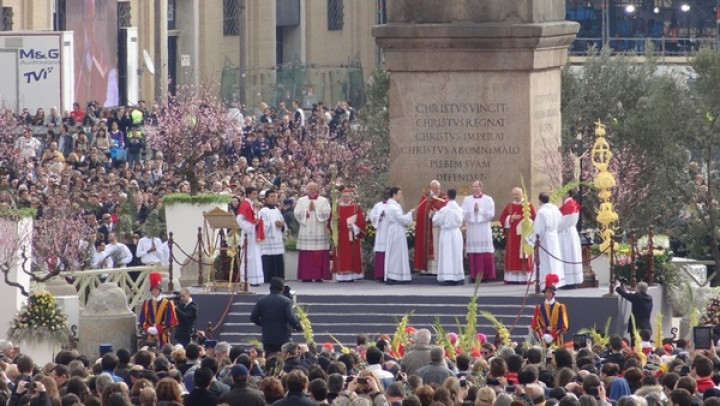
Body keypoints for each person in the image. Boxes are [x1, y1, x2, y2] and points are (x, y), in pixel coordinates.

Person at [249, 277, 303, 354]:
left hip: (268, 337)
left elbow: (253, 317)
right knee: (283, 359)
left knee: (269, 359)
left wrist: (263, 323)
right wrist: (299, 326)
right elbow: (291, 317)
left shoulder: (262, 301)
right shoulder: (286, 301)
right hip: (283, 337)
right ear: (282, 288)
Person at [294, 182, 331, 282]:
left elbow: (327, 213)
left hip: (319, 230)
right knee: (307, 254)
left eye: (314, 188)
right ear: (307, 189)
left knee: (318, 253)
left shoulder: (323, 201)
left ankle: (318, 276)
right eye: (310, 188)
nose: (312, 190)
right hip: (306, 230)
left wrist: (316, 209)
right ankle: (306, 276)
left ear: (317, 189)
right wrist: (307, 211)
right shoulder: (301, 200)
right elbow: (296, 213)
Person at [499, 187, 536, 283]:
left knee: (524, 255)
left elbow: (535, 219)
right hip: (513, 236)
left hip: (525, 235)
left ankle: (525, 278)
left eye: (517, 194)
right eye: (514, 194)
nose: (515, 196)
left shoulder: (528, 205)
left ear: (522, 194)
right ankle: (512, 279)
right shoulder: (510, 206)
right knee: (513, 255)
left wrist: (528, 222)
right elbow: (502, 218)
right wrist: (511, 217)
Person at [461, 180, 496, 282]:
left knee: (485, 251)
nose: (475, 188)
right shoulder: (467, 200)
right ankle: (474, 275)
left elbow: (491, 214)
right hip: (473, 228)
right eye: (473, 187)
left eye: (476, 186)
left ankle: (487, 275)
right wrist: (472, 210)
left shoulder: (488, 199)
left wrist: (479, 210)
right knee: (474, 251)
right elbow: (463, 213)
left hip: (483, 228)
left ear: (481, 187)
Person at [531, 192, 565, 289]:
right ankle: (555, 282)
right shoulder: (555, 209)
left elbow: (539, 228)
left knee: (545, 261)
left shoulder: (542, 212)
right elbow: (560, 222)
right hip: (554, 236)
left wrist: (534, 240)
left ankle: (546, 284)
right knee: (554, 259)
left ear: (540, 200)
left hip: (545, 238)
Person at [332, 188, 366, 282]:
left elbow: (361, 221)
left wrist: (354, 227)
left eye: (348, 196)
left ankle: (352, 276)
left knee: (352, 255)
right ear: (341, 197)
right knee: (342, 256)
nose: (346, 198)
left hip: (352, 235)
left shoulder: (356, 207)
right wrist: (334, 222)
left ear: (351, 197)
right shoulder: (337, 208)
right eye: (344, 197)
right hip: (341, 236)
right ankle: (341, 277)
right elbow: (331, 222)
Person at [432, 189, 464, 286]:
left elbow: (435, 220)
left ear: (447, 196)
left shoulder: (444, 210)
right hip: (456, 233)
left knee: (447, 255)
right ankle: (456, 276)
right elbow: (461, 220)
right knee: (456, 255)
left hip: (446, 233)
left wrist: (436, 213)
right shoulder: (459, 209)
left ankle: (448, 277)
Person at [413, 180, 446, 274]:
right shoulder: (425, 197)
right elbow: (421, 211)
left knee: (438, 248)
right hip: (428, 228)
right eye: (435, 188)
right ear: (431, 188)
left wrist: (438, 212)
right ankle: (427, 269)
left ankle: (438, 269)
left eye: (438, 188)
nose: (437, 190)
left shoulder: (443, 197)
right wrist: (429, 213)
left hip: (439, 229)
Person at [235, 186, 265, 286]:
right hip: (248, 234)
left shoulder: (252, 205)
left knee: (255, 256)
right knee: (249, 256)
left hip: (253, 234)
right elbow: (239, 220)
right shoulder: (245, 205)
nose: (256, 196)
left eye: (256, 193)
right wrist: (252, 227)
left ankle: (255, 279)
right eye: (254, 194)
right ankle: (248, 279)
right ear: (248, 194)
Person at [138, 272, 178, 347]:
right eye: (153, 289)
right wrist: (148, 328)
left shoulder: (168, 303)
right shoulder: (146, 303)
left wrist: (158, 329)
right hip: (149, 336)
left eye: (156, 289)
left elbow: (171, 321)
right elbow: (142, 319)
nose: (154, 291)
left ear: (160, 290)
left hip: (163, 335)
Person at [384, 187, 415, 284]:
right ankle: (392, 276)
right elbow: (402, 219)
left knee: (397, 253)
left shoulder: (392, 205)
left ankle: (399, 275)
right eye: (399, 194)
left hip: (395, 230)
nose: (400, 196)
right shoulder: (393, 207)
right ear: (394, 195)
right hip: (396, 231)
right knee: (395, 254)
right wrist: (410, 213)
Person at [531, 274, 569, 347]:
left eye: (549, 292)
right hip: (543, 339)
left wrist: (553, 335)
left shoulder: (560, 307)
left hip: (556, 339)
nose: (547, 294)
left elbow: (563, 325)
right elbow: (535, 324)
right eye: (546, 292)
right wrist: (542, 335)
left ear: (553, 294)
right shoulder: (539, 308)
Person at [259, 189, 286, 281]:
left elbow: (282, 222)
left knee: (277, 259)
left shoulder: (277, 210)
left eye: (275, 196)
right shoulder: (263, 211)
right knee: (268, 258)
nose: (274, 198)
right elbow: (262, 225)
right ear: (266, 199)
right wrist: (273, 224)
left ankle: (279, 278)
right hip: (268, 240)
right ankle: (268, 278)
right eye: (271, 196)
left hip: (277, 238)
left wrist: (282, 225)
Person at [559, 190, 583, 287]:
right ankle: (572, 280)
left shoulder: (569, 205)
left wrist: (555, 229)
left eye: (563, 192)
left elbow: (563, 222)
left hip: (566, 233)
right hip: (570, 232)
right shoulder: (572, 203)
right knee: (571, 255)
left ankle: (568, 281)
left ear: (568, 193)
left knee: (567, 255)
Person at [368, 190, 390, 281]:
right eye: (384, 194)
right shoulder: (378, 205)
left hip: (390, 232)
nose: (386, 196)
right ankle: (380, 275)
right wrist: (379, 216)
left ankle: (389, 274)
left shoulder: (394, 205)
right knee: (381, 253)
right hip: (381, 232)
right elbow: (371, 216)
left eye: (388, 194)